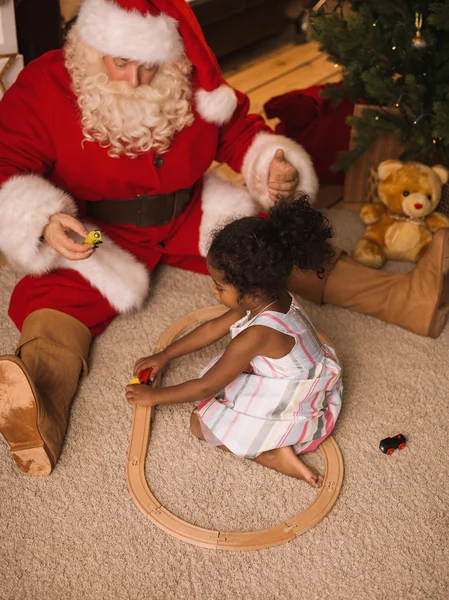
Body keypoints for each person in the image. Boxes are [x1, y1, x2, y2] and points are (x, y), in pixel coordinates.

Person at [0, 0, 447, 477]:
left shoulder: (188, 70)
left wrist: (271, 167)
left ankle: (405, 299)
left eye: (148, 64)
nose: (135, 79)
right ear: (93, 46)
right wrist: (44, 220)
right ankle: (38, 404)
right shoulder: (44, 84)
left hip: (189, 209)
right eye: (121, 62)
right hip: (93, 225)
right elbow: (6, 165)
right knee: (56, 296)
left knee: (265, 253)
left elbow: (239, 132)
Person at [126, 197, 342, 488]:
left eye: (219, 286)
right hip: (306, 371)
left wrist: (153, 397)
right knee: (225, 385)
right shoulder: (271, 296)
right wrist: (166, 355)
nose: (214, 292)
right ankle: (273, 447)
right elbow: (214, 328)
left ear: (251, 290)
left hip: (293, 397)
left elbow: (206, 387)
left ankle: (272, 455)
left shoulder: (257, 334)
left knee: (200, 423)